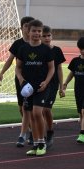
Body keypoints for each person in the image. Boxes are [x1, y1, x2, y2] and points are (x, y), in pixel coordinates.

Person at [15, 19, 54, 157]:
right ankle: (36, 144)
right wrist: (21, 80)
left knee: (38, 113)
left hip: (42, 87)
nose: (37, 34)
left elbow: (51, 68)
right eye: (34, 31)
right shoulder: (23, 49)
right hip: (28, 87)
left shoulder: (46, 49)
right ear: (28, 31)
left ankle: (42, 142)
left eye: (39, 31)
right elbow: (18, 67)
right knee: (31, 114)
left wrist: (46, 82)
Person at [0, 16, 35, 147]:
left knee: (28, 108)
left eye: (31, 26)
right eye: (26, 26)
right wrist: (2, 73)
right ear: (22, 28)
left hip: (34, 79)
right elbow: (10, 60)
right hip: (20, 79)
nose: (28, 29)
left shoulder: (37, 43)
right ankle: (29, 129)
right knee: (21, 107)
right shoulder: (18, 44)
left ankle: (29, 134)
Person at [41, 25, 66, 148]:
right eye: (44, 36)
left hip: (52, 84)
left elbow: (59, 69)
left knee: (46, 109)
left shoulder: (56, 50)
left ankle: (50, 131)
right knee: (37, 111)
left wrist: (62, 86)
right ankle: (40, 135)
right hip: (39, 83)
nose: (46, 38)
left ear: (52, 36)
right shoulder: (37, 50)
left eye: (48, 35)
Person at [62, 37, 84, 144]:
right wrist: (65, 83)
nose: (83, 50)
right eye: (81, 48)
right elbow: (72, 73)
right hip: (78, 90)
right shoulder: (75, 61)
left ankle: (82, 133)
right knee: (81, 112)